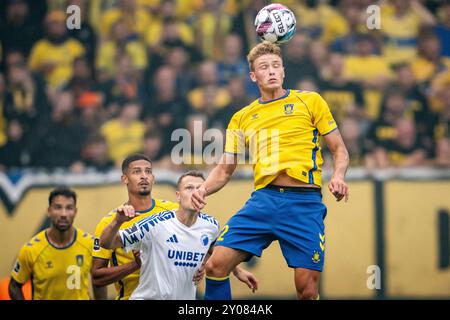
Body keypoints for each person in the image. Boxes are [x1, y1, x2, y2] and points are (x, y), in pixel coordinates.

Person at [191, 41, 350, 300]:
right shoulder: (241, 117)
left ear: (284, 71)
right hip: (264, 200)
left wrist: (339, 176)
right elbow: (224, 170)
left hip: (304, 203)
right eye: (264, 67)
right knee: (215, 266)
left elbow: (339, 149)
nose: (272, 71)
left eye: (276, 65)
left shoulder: (310, 101)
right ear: (254, 76)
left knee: (307, 290)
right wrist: (202, 189)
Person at [100, 170, 258, 300]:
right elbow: (107, 242)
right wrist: (117, 221)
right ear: (178, 195)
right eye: (189, 188)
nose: (195, 193)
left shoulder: (211, 226)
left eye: (200, 188)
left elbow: (214, 250)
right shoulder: (154, 224)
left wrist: (237, 271)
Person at [92, 153, 187, 300]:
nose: (144, 176)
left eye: (148, 171)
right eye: (137, 172)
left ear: (153, 178)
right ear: (125, 179)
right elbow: (97, 277)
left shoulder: (174, 212)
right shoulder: (110, 223)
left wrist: (200, 266)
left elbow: (198, 243)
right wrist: (134, 265)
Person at [9, 186, 106, 300]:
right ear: (49, 211)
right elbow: (14, 286)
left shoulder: (89, 244)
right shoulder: (31, 249)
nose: (63, 214)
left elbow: (99, 281)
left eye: (69, 208)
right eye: (58, 207)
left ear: (75, 212)